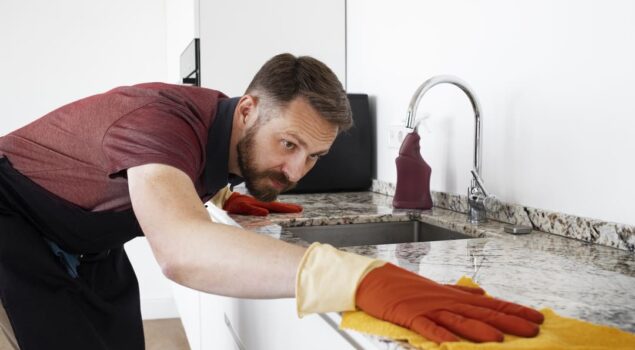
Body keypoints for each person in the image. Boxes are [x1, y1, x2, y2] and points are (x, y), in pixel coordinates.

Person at [0, 53, 544, 350]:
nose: (294, 171)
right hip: (13, 219)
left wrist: (221, 198)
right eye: (288, 144)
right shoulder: (160, 122)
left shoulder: (218, 123)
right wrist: (359, 278)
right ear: (248, 109)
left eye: (313, 157)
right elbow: (180, 250)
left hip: (87, 238)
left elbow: (174, 174)